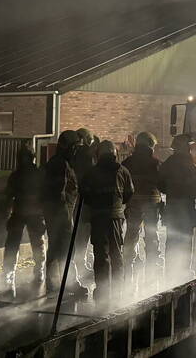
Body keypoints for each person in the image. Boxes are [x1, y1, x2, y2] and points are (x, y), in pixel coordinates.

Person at [79, 140, 134, 304]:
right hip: (116, 218)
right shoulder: (123, 170)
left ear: (99, 154)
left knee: (101, 254)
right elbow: (129, 192)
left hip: (98, 218)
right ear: (114, 153)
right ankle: (118, 289)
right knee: (116, 253)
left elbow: (85, 195)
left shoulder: (91, 173)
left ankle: (102, 291)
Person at [158, 134, 196, 284]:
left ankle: (170, 273)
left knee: (172, 239)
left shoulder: (168, 164)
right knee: (186, 240)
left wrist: (170, 191)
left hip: (172, 206)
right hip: (187, 208)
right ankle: (184, 274)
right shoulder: (190, 164)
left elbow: (160, 183)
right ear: (186, 147)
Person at [121, 131, 162, 288]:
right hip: (152, 203)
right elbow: (163, 184)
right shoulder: (156, 163)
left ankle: (127, 269)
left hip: (133, 203)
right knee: (151, 234)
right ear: (151, 145)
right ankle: (151, 271)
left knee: (131, 234)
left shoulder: (127, 163)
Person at [3, 145, 46, 292]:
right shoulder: (38, 174)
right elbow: (9, 196)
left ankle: (11, 273)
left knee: (18, 244)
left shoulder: (18, 175)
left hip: (24, 213)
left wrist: (7, 214)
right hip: (28, 213)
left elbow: (9, 196)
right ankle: (36, 271)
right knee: (33, 244)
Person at [41, 129, 79, 287]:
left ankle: (53, 281)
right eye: (74, 147)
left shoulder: (59, 162)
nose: (76, 150)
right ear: (67, 147)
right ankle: (67, 283)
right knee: (66, 249)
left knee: (56, 247)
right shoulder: (61, 164)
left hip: (57, 213)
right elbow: (60, 192)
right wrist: (65, 219)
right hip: (61, 214)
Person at [70, 128, 97, 283]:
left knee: (74, 233)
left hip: (72, 198)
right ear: (87, 139)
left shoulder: (71, 153)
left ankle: (76, 265)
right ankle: (80, 264)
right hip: (84, 198)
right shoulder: (87, 154)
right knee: (82, 234)